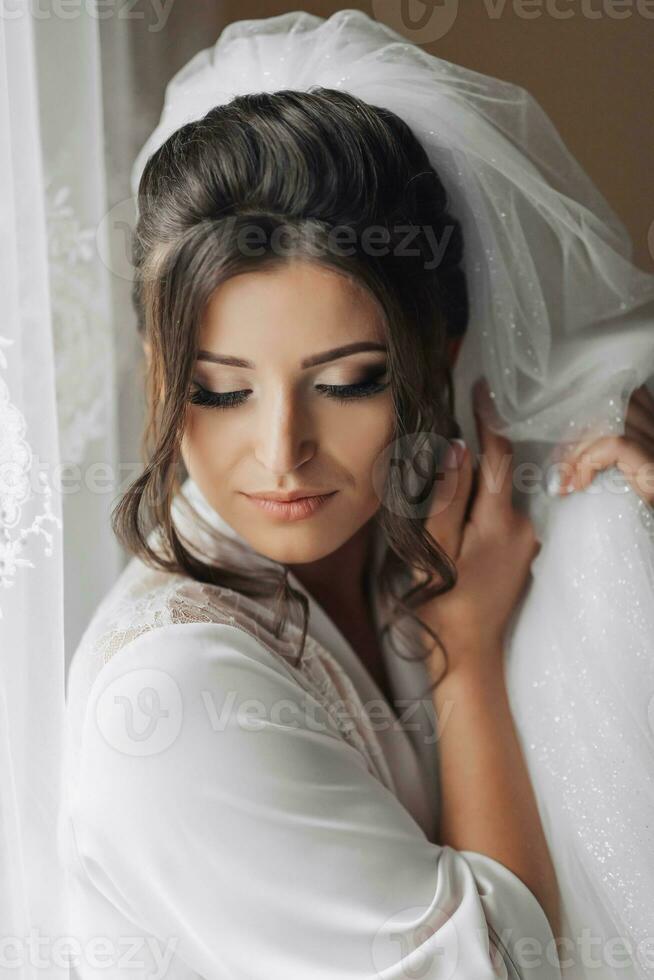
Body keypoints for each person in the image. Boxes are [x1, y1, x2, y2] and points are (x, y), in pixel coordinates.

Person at [61, 10, 654, 980]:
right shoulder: (171, 702)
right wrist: (462, 657)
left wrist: (608, 449)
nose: (282, 450)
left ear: (441, 353)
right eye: (219, 389)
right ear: (159, 372)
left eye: (347, 382)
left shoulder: (427, 518)